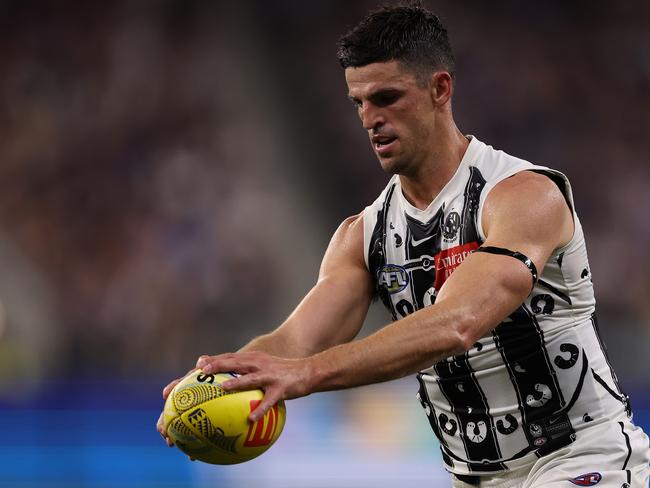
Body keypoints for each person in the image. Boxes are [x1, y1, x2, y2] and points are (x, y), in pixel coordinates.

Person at [158, 4, 650, 487]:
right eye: (359, 103)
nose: (370, 118)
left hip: (583, 458)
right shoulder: (362, 236)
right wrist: (215, 385)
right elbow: (294, 343)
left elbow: (456, 322)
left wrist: (307, 374)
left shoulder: (523, 195)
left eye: (387, 98)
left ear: (440, 89)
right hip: (471, 478)